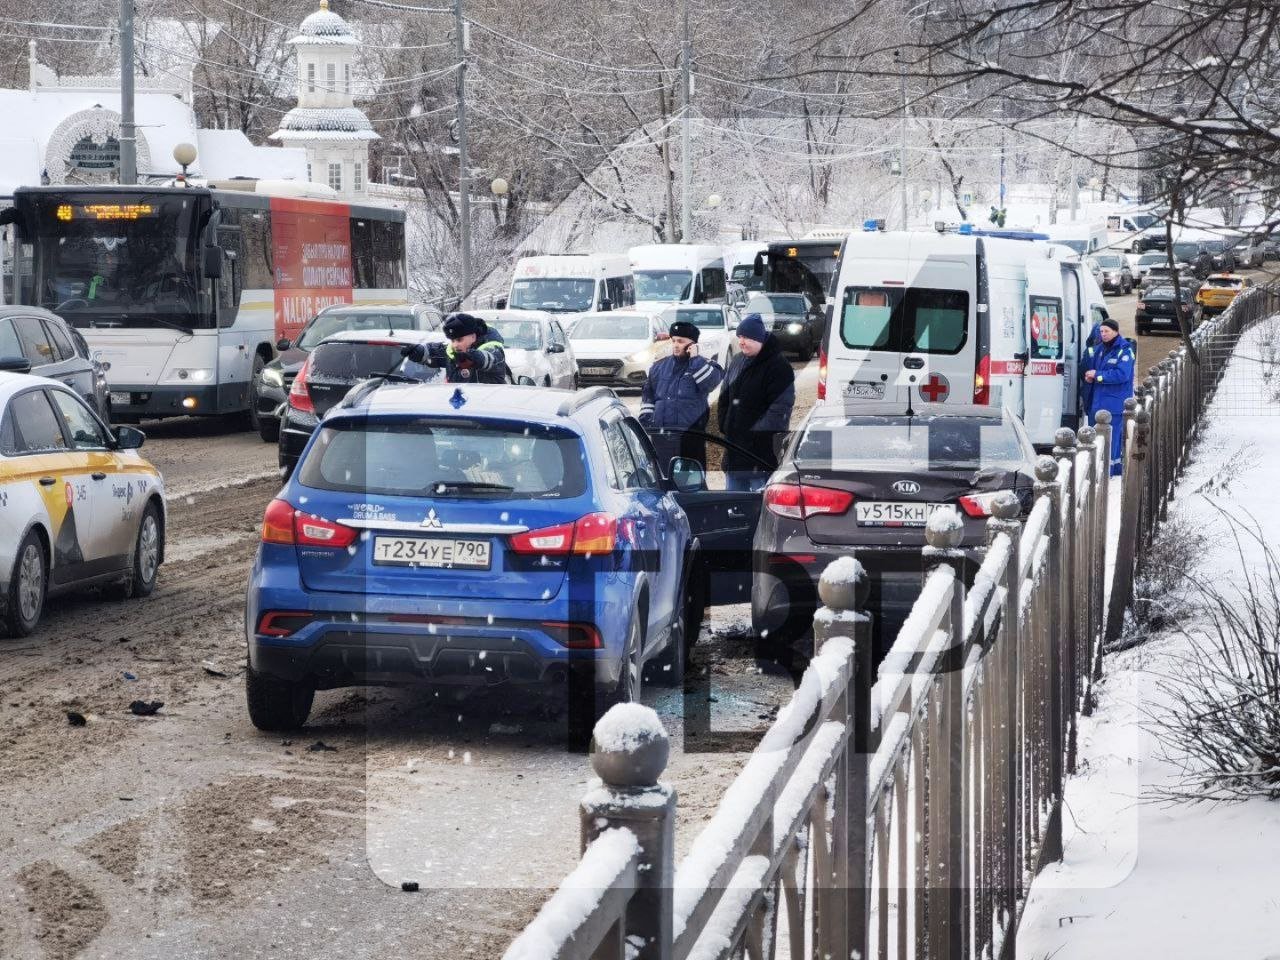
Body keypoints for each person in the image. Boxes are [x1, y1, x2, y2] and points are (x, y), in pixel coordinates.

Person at [718, 313, 795, 490]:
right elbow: (724, 397)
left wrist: (755, 434)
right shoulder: (737, 361)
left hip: (760, 453)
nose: (741, 341)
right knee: (733, 505)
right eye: (739, 337)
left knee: (758, 506)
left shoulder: (778, 366)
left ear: (759, 339)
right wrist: (725, 424)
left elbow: (780, 408)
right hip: (734, 450)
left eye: (746, 337)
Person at [639, 319, 723, 471]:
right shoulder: (659, 367)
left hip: (690, 439)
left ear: (693, 344)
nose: (676, 345)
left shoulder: (705, 365)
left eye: (681, 341)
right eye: (673, 340)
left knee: (691, 486)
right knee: (664, 483)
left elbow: (710, 383)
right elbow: (648, 396)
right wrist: (647, 423)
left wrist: (695, 360)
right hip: (661, 438)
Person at [1083, 316, 1135, 475]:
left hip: (1114, 403)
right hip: (1097, 402)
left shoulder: (1125, 350)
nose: (1103, 334)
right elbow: (1089, 363)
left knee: (1111, 441)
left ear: (1116, 332)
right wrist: (1089, 375)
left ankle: (1108, 472)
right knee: (1099, 440)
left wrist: (1098, 376)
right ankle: (1106, 470)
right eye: (1101, 331)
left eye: (1107, 331)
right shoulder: (1100, 349)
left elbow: (1122, 374)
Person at [418, 312, 511, 384]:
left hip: (488, 406)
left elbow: (489, 359)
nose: (455, 345)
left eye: (459, 340)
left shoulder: (494, 350)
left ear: (473, 337)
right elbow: (434, 352)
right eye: (453, 340)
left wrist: (474, 357)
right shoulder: (453, 351)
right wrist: (418, 351)